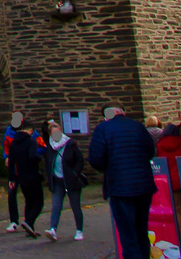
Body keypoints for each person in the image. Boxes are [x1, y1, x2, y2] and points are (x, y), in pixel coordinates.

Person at [88, 106, 157, 259]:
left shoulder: (103, 129)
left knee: (128, 235)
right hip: (143, 185)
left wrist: (108, 166)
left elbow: (96, 159)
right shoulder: (138, 126)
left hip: (120, 187)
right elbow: (151, 152)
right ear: (124, 113)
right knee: (141, 231)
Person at [42, 121, 86, 241]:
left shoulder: (70, 144)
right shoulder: (50, 147)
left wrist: (74, 173)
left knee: (75, 206)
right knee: (56, 206)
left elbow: (80, 160)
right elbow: (48, 163)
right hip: (57, 181)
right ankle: (53, 229)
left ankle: (79, 230)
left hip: (71, 181)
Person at [7, 116, 44, 237]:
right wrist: (40, 158)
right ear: (30, 131)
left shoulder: (14, 143)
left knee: (29, 201)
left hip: (21, 176)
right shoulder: (30, 142)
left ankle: (30, 229)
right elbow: (33, 156)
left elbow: (11, 162)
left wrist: (11, 178)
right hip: (32, 175)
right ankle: (28, 222)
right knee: (38, 203)